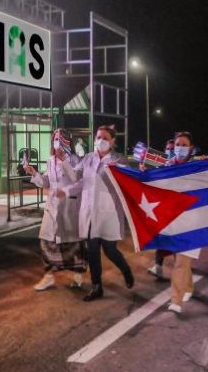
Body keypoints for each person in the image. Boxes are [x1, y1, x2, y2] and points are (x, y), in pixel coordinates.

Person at [60, 125, 134, 302]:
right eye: (99, 137)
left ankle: (125, 270)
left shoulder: (119, 160)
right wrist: (66, 190)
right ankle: (97, 286)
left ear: (113, 141)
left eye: (106, 138)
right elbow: (80, 181)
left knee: (110, 250)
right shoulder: (87, 159)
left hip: (108, 215)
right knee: (92, 251)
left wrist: (124, 171)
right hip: (89, 213)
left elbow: (131, 180)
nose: (101, 140)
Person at [26, 128, 86, 291]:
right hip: (52, 208)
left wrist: (64, 161)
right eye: (55, 138)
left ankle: (78, 274)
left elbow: (76, 179)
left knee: (71, 244)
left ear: (67, 141)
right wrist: (34, 174)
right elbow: (46, 182)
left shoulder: (75, 160)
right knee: (46, 241)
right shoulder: (50, 160)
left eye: (60, 138)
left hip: (68, 207)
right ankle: (48, 276)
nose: (56, 141)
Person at [164, 131, 201, 314]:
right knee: (179, 260)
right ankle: (189, 287)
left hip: (191, 223)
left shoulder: (198, 169)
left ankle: (176, 300)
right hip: (172, 222)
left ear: (191, 148)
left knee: (180, 262)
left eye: (184, 145)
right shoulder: (166, 167)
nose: (179, 148)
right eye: (177, 144)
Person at [147, 138, 179, 279]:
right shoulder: (162, 167)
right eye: (168, 149)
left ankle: (183, 270)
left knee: (177, 242)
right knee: (162, 240)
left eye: (173, 148)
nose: (170, 151)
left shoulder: (183, 167)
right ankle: (158, 267)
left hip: (179, 211)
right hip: (165, 210)